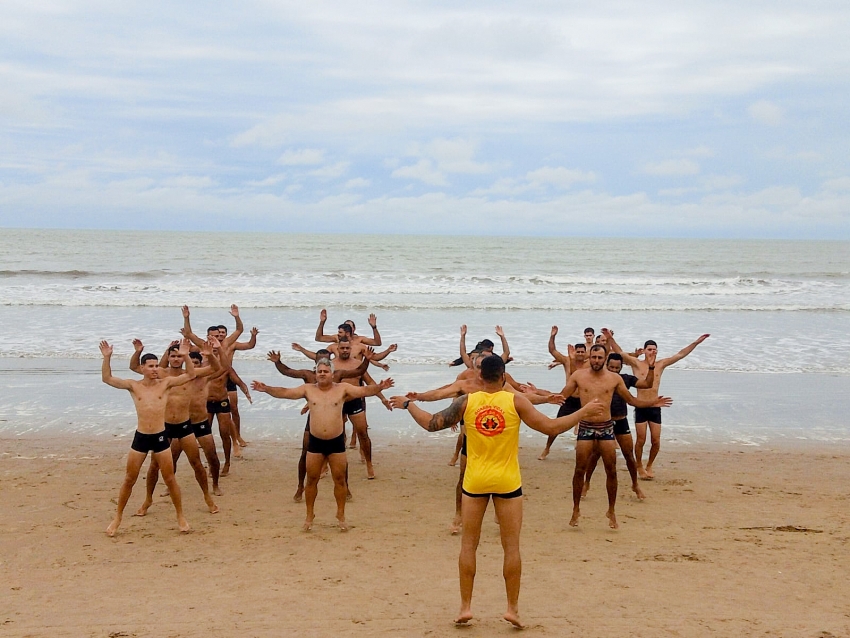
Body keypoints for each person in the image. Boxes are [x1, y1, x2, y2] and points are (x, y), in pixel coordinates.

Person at [391, 355, 604, 628]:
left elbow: (432, 423)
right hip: (507, 481)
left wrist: (408, 404)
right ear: (504, 376)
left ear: (480, 377)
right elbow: (551, 427)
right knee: (511, 547)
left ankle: (465, 607)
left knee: (469, 544)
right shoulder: (515, 401)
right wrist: (583, 412)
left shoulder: (467, 401)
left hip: (475, 482)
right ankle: (512, 609)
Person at [407, 352, 563, 534]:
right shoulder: (465, 387)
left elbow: (524, 398)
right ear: (474, 369)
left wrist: (545, 399)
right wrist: (419, 397)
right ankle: (459, 514)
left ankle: (499, 512)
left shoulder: (502, 388)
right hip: (470, 442)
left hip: (497, 444)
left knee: (498, 480)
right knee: (463, 479)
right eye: (478, 366)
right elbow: (440, 393)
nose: (481, 369)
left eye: (483, 366)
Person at [251, 359, 394, 532]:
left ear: (332, 374)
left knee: (340, 480)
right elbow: (286, 392)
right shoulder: (308, 390)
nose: (322, 374)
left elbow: (363, 390)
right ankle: (309, 515)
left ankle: (340, 515)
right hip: (315, 442)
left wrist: (380, 387)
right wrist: (266, 388)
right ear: (315, 373)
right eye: (319, 371)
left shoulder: (342, 389)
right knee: (311, 480)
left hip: (336, 442)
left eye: (326, 371)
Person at [561, 344, 672, 529]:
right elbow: (563, 395)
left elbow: (632, 400)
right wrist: (541, 396)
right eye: (594, 357)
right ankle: (576, 509)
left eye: (600, 357)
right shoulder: (579, 376)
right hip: (586, 426)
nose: (596, 361)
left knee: (611, 470)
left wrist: (653, 402)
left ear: (604, 358)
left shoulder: (614, 379)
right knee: (579, 469)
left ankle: (611, 510)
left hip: (606, 427)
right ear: (590, 357)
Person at [99, 339, 196, 536]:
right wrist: (107, 358)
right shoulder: (134, 386)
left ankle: (180, 516)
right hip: (141, 437)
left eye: (156, 366)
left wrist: (186, 355)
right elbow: (107, 378)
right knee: (129, 479)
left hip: (161, 436)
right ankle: (117, 517)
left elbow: (191, 375)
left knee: (170, 479)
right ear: (142, 368)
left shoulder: (166, 384)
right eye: (150, 366)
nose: (155, 369)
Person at [129, 339, 222, 516]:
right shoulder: (161, 373)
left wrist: (208, 355)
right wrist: (138, 351)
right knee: (154, 465)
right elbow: (135, 367)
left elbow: (216, 369)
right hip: (164, 427)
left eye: (180, 356)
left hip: (184, 425)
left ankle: (207, 497)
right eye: (173, 356)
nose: (177, 359)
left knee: (196, 463)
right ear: (169, 357)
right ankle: (148, 499)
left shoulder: (191, 373)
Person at [266, 348, 371, 501]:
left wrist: (367, 359)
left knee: (340, 456)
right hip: (314, 417)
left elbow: (358, 370)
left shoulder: (338, 374)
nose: (323, 364)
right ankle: (300, 487)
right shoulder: (308, 375)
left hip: (333, 416)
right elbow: (288, 371)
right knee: (304, 453)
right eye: (319, 360)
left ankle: (346, 487)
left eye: (326, 360)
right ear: (315, 362)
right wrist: (277, 362)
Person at [604, 329, 709, 479]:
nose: (652, 352)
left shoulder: (661, 364)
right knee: (641, 440)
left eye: (654, 350)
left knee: (656, 440)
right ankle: (639, 466)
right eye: (649, 349)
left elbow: (680, 354)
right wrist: (610, 338)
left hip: (655, 407)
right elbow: (620, 352)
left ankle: (649, 465)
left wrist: (696, 342)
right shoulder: (637, 364)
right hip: (641, 406)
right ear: (645, 351)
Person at [582, 351, 656, 501]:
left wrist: (651, 367)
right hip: (604, 422)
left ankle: (635, 485)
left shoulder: (625, 379)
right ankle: (586, 483)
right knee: (595, 455)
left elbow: (647, 384)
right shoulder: (599, 379)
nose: (614, 370)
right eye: (611, 367)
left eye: (617, 368)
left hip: (621, 421)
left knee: (629, 455)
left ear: (621, 367)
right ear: (606, 365)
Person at [539, 327, 588, 460]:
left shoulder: (589, 365)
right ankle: (547, 448)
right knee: (556, 426)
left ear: (585, 353)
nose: (580, 354)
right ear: (575, 352)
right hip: (570, 398)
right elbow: (552, 350)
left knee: (587, 427)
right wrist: (553, 336)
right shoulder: (567, 361)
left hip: (584, 399)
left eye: (582, 352)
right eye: (578, 352)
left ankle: (584, 450)